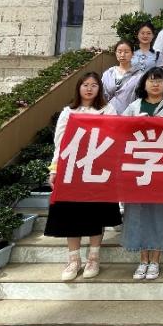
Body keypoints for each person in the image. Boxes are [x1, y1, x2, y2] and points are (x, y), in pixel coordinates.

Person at [45, 72, 121, 281]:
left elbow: (113, 136)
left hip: (98, 170)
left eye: (94, 85)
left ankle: (93, 258)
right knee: (71, 214)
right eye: (85, 84)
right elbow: (60, 143)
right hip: (72, 171)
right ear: (78, 87)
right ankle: (73, 260)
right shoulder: (68, 112)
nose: (89, 89)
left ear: (99, 89)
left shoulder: (107, 110)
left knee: (96, 213)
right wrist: (55, 169)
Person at [121, 68, 163, 281]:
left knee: (161, 213)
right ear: (144, 84)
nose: (155, 84)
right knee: (137, 213)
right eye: (151, 81)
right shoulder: (134, 107)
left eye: (159, 80)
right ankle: (143, 260)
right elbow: (120, 131)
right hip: (138, 168)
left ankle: (156, 260)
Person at [124, 23, 163, 101]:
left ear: (153, 36)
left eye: (148, 33)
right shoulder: (131, 53)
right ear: (137, 35)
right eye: (142, 33)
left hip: (151, 90)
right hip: (130, 90)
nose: (145, 36)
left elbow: (160, 75)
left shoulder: (157, 55)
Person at [101, 39, 138, 114]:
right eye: (119, 52)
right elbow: (101, 95)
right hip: (108, 114)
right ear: (115, 53)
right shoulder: (108, 74)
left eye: (126, 52)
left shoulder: (139, 75)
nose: (122, 55)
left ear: (133, 54)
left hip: (129, 115)